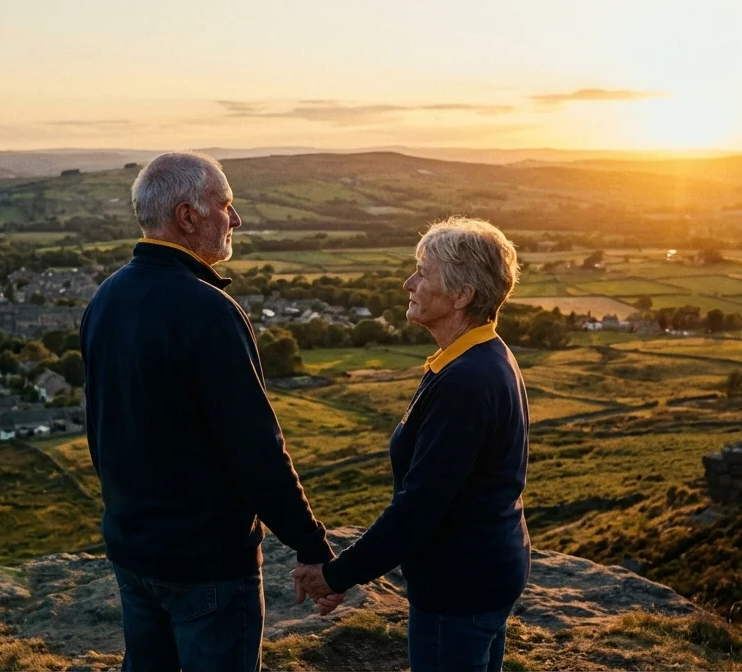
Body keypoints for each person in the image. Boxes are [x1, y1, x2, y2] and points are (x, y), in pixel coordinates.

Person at [81, 152, 341, 672]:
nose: (236, 219)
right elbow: (256, 451)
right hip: (207, 563)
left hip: (133, 551)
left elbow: (103, 431)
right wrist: (312, 547)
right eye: (226, 205)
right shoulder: (208, 311)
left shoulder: (105, 299)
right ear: (187, 216)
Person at [293, 216, 530, 672]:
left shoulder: (467, 381)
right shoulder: (478, 358)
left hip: (458, 588)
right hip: (483, 572)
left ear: (462, 296)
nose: (408, 283)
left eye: (423, 272)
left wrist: (336, 575)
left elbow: (418, 507)